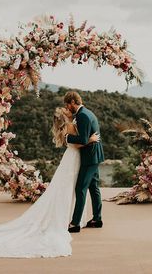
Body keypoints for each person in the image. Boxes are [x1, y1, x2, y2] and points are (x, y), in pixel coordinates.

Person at [0, 107, 99, 258]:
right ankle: (75, 220)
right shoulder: (71, 125)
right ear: (64, 117)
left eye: (67, 108)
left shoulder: (71, 124)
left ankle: (76, 219)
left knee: (70, 189)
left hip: (73, 160)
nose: (68, 110)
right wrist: (90, 139)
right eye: (66, 110)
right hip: (74, 159)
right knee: (73, 189)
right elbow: (79, 142)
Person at [64, 91, 104, 233]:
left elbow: (82, 139)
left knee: (80, 189)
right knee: (93, 187)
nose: (68, 108)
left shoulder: (82, 116)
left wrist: (67, 137)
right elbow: (87, 138)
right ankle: (97, 219)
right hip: (94, 156)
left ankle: (75, 224)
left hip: (89, 157)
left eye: (68, 105)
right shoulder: (88, 112)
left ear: (73, 102)